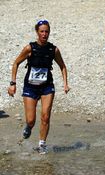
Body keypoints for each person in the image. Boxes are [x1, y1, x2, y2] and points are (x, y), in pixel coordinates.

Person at [7, 19, 70, 154]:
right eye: (42, 31)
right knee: (31, 120)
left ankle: (42, 144)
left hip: (47, 87)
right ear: (37, 32)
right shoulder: (30, 48)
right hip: (30, 87)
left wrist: (65, 83)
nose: (44, 34)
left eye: (47, 31)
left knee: (45, 116)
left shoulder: (54, 49)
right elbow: (16, 63)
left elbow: (63, 66)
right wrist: (12, 84)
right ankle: (29, 127)